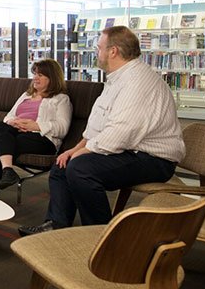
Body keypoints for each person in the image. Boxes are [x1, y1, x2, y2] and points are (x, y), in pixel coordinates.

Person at [19, 25, 186, 236]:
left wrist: (81, 153)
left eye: (99, 48)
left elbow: (120, 133)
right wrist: (73, 150)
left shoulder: (137, 82)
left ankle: (102, 235)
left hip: (154, 159)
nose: (96, 53)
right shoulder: (117, 79)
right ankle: (56, 224)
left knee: (80, 169)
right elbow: (97, 127)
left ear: (113, 51)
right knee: (62, 164)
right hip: (129, 150)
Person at [0, 59, 72, 196]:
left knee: (0, 147)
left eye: (40, 75)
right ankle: (7, 170)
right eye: (35, 74)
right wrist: (12, 122)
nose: (35, 78)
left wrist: (36, 126)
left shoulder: (61, 99)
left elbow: (62, 128)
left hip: (43, 139)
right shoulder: (26, 95)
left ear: (52, 77)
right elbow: (8, 116)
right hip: (17, 133)